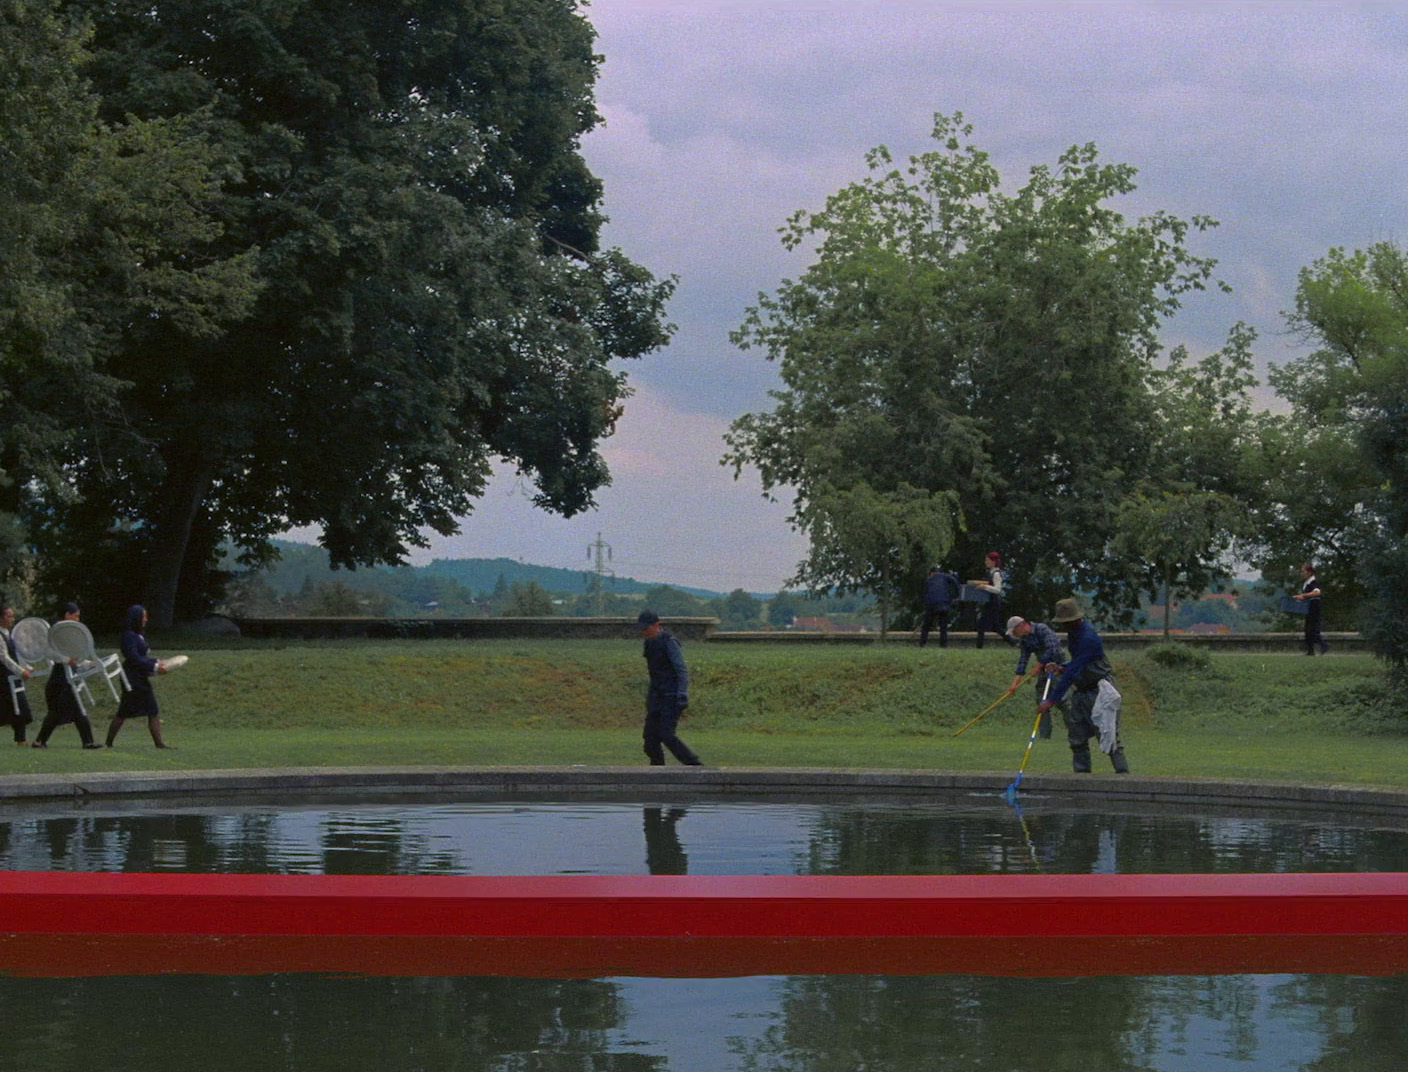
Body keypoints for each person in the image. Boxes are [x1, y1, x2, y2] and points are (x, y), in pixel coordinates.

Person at [1038, 598, 1129, 774]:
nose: (1065, 627)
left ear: (1076, 619)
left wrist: (1051, 700)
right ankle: (1081, 776)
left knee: (1108, 736)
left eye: (1067, 623)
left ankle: (1123, 777)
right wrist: (1061, 667)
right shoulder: (1074, 634)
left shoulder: (1088, 637)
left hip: (1100, 691)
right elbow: (1076, 664)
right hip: (1081, 691)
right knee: (1077, 738)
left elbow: (1076, 669)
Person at [33, 602, 102, 749]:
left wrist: (88, 663)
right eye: (75, 616)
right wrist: (67, 660)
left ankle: (87, 742)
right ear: (67, 615)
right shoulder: (55, 632)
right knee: (64, 709)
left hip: (67, 674)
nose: (77, 619)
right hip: (60, 677)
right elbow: (49, 652)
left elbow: (75, 655)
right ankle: (40, 741)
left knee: (74, 709)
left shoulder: (68, 632)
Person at [638, 609, 702, 767]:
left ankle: (694, 766)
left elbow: (681, 670)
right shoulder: (649, 643)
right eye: (642, 629)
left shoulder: (669, 641)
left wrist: (682, 694)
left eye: (646, 628)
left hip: (672, 696)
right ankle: (658, 770)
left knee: (666, 735)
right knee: (650, 738)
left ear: (657, 625)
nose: (644, 632)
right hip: (656, 696)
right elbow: (654, 674)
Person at [105, 604, 172, 749]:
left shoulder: (136, 635)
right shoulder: (129, 636)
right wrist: (154, 666)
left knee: (148, 710)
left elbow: (141, 658)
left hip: (138, 677)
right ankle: (109, 742)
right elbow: (134, 658)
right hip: (132, 678)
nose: (146, 619)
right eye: (144, 616)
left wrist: (156, 663)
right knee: (130, 711)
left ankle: (158, 743)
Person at [1004, 615, 1066, 739]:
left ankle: (1076, 729)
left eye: (1015, 631)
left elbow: (1052, 649)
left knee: (1062, 700)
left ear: (1021, 626)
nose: (1015, 635)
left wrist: (1039, 665)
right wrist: (1015, 683)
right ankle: (1044, 735)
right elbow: (1023, 660)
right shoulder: (1025, 640)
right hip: (1043, 669)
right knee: (1041, 700)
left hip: (1058, 667)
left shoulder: (1042, 629)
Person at [0, 603, 34, 745]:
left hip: (12, 678)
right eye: (9, 616)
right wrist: (21, 671)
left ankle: (21, 740)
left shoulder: (8, 634)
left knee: (17, 709)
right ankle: (21, 740)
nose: (12, 619)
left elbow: (16, 655)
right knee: (18, 707)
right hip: (3, 679)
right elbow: (4, 657)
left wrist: (27, 667)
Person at [969, 552, 1009, 649]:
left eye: (987, 560)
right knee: (991, 625)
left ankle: (979, 647)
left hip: (994, 602)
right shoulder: (990, 573)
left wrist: (984, 587)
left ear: (993, 561)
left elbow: (997, 589)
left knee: (986, 625)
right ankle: (1012, 642)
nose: (985, 562)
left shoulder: (996, 574)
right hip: (989, 602)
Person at [919, 565, 960, 648]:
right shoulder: (946, 576)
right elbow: (955, 582)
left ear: (931, 573)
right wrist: (956, 596)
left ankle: (922, 643)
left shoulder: (929, 580)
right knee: (943, 626)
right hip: (944, 603)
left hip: (931, 604)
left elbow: (925, 593)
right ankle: (943, 645)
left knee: (926, 625)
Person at [1294, 562, 1328, 656]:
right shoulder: (1307, 583)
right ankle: (1310, 650)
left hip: (1314, 606)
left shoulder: (1313, 582)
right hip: (1309, 607)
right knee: (1308, 629)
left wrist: (1303, 595)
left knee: (1313, 629)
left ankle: (1324, 645)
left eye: (1303, 571)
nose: (1302, 573)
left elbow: (1317, 592)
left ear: (1309, 572)